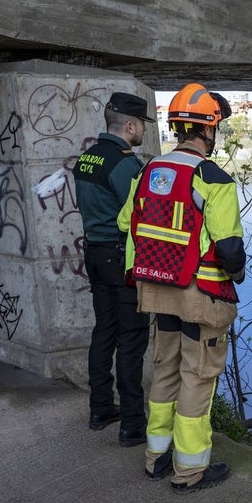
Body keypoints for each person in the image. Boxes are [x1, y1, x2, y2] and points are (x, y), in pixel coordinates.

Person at [117, 83, 246, 493]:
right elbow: (229, 249)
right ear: (208, 130)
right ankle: (189, 470)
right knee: (197, 375)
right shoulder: (213, 178)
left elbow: (126, 223)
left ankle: (156, 458)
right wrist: (237, 271)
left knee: (166, 368)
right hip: (200, 297)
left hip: (156, 289)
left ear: (176, 127)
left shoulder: (148, 170)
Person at [73, 91, 154, 447]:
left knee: (104, 331)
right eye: (143, 128)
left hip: (94, 252)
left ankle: (100, 408)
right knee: (131, 339)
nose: (144, 134)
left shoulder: (86, 158)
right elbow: (141, 215)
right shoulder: (125, 164)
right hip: (121, 258)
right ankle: (133, 425)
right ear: (131, 125)